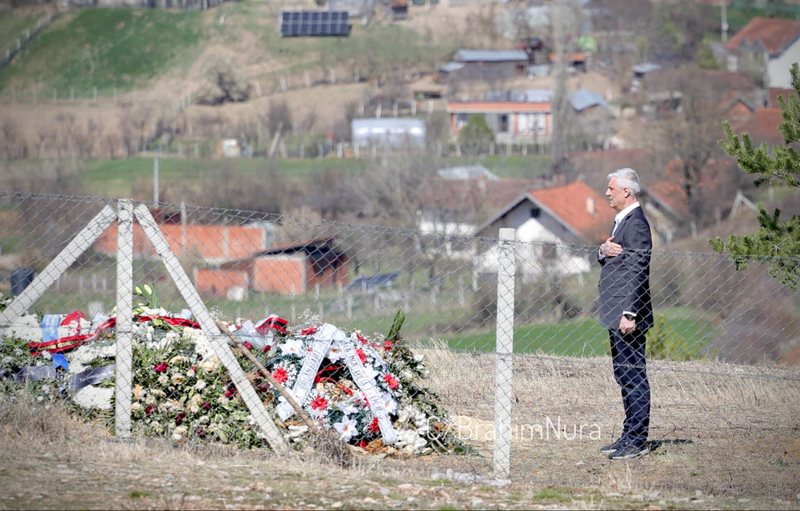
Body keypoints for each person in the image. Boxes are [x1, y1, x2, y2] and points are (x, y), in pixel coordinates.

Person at [597, 168, 653, 460]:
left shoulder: (636, 225)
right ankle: (628, 435)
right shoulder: (622, 221)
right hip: (615, 313)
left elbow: (638, 270)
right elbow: (612, 257)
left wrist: (630, 312)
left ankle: (637, 440)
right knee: (623, 374)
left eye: (611, 188)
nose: (607, 192)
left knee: (633, 376)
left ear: (626, 192)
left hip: (627, 316)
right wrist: (602, 251)